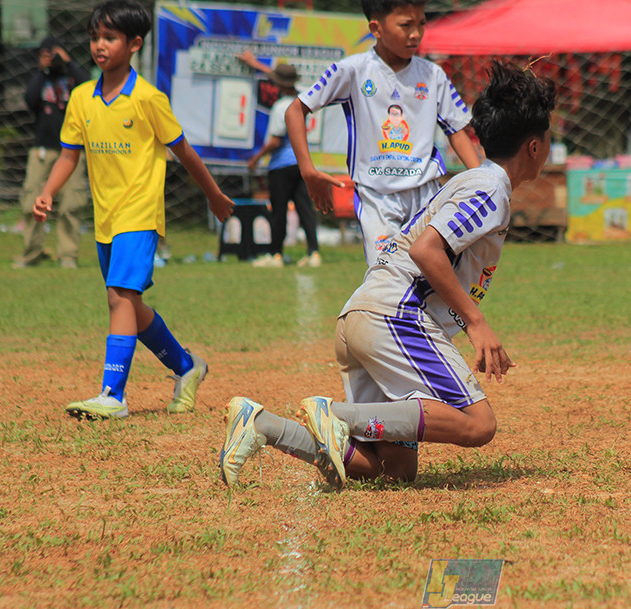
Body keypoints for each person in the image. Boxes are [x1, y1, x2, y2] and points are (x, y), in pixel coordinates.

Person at [219, 61, 556, 489]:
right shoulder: (490, 188)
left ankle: (263, 425)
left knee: (389, 471)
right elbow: (426, 250)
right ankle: (335, 414)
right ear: (533, 146)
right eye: (548, 138)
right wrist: (477, 323)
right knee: (478, 423)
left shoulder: (475, 182)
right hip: (393, 316)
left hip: (362, 316)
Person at [33, 0, 234, 419]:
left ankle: (113, 395)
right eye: (94, 37)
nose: (99, 45)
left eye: (109, 37)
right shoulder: (82, 98)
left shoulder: (147, 98)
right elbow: (69, 155)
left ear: (135, 43)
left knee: (119, 296)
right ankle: (187, 366)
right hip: (105, 219)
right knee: (131, 306)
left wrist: (213, 195)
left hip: (140, 214)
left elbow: (184, 151)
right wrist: (49, 190)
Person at [285, 0, 482, 266]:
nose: (415, 33)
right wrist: (308, 171)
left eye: (421, 23)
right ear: (376, 29)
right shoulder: (352, 70)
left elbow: (456, 130)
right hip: (376, 197)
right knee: (386, 275)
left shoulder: (433, 75)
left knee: (435, 274)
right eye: (405, 25)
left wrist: (482, 185)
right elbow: (295, 111)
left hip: (426, 194)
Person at [237, 52, 322, 269]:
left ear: (277, 85)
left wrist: (255, 158)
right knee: (305, 208)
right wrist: (255, 63)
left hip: (281, 166)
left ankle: (275, 254)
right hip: (301, 163)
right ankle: (313, 252)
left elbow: (275, 140)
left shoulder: (280, 107)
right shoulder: (303, 98)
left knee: (279, 211)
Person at [13, 36, 91, 270]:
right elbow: (29, 100)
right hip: (42, 148)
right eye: (45, 53)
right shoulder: (41, 77)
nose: (51, 57)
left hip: (73, 150)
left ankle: (68, 255)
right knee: (32, 202)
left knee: (71, 203)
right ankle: (32, 253)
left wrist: (69, 63)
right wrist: (42, 70)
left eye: (53, 53)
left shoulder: (74, 77)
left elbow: (90, 88)